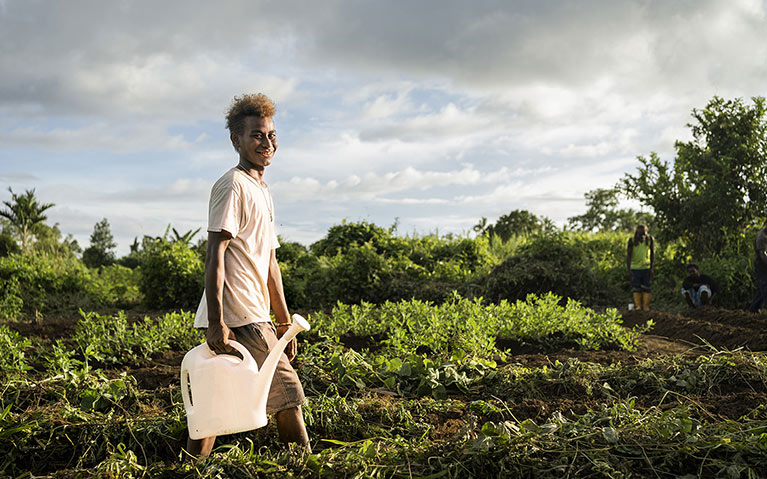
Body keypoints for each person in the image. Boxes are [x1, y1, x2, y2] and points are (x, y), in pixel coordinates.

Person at [185, 93, 310, 458]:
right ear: (236, 140)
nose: (266, 142)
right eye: (257, 135)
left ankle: (190, 467)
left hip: (256, 316)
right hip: (239, 317)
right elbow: (215, 256)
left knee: (214, 403)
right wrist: (216, 321)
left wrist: (284, 321)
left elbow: (269, 263)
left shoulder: (263, 190)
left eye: (271, 135)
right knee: (289, 397)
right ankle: (304, 465)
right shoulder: (232, 186)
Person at [626, 225, 655, 311]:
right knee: (636, 288)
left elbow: (653, 254)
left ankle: (646, 306)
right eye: (640, 235)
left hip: (646, 267)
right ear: (636, 234)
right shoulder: (631, 240)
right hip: (635, 268)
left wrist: (652, 268)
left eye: (644, 234)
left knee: (647, 287)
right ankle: (638, 306)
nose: (642, 237)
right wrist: (629, 270)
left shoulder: (650, 239)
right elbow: (628, 255)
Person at [749, 220, 767, 313]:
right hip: (762, 266)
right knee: (765, 287)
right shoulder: (762, 236)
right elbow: (762, 254)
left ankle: (753, 309)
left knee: (761, 291)